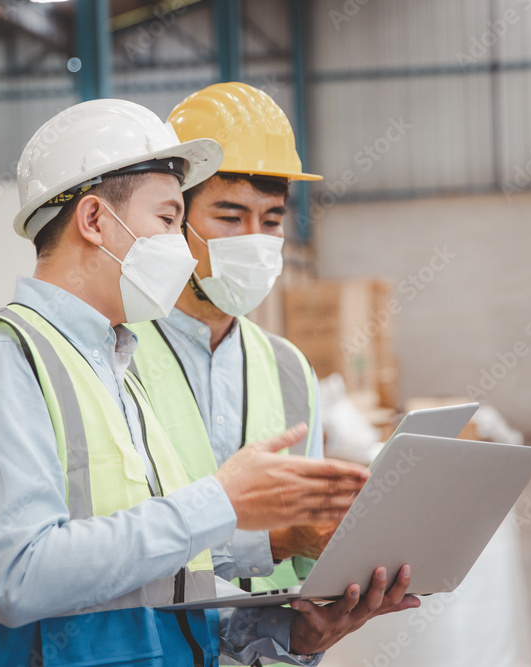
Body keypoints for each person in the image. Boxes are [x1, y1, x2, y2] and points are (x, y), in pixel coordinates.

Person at [0, 98, 417, 667]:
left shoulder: (110, 366)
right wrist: (222, 501)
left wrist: (286, 638)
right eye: (171, 220)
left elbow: (154, 579)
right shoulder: (4, 360)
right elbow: (19, 578)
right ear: (96, 220)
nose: (182, 249)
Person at [127, 83, 331, 606]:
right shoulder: (113, 354)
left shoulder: (289, 367)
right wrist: (272, 541)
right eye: (230, 217)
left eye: (272, 220)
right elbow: (117, 544)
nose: (255, 240)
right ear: (175, 221)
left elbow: (310, 549)